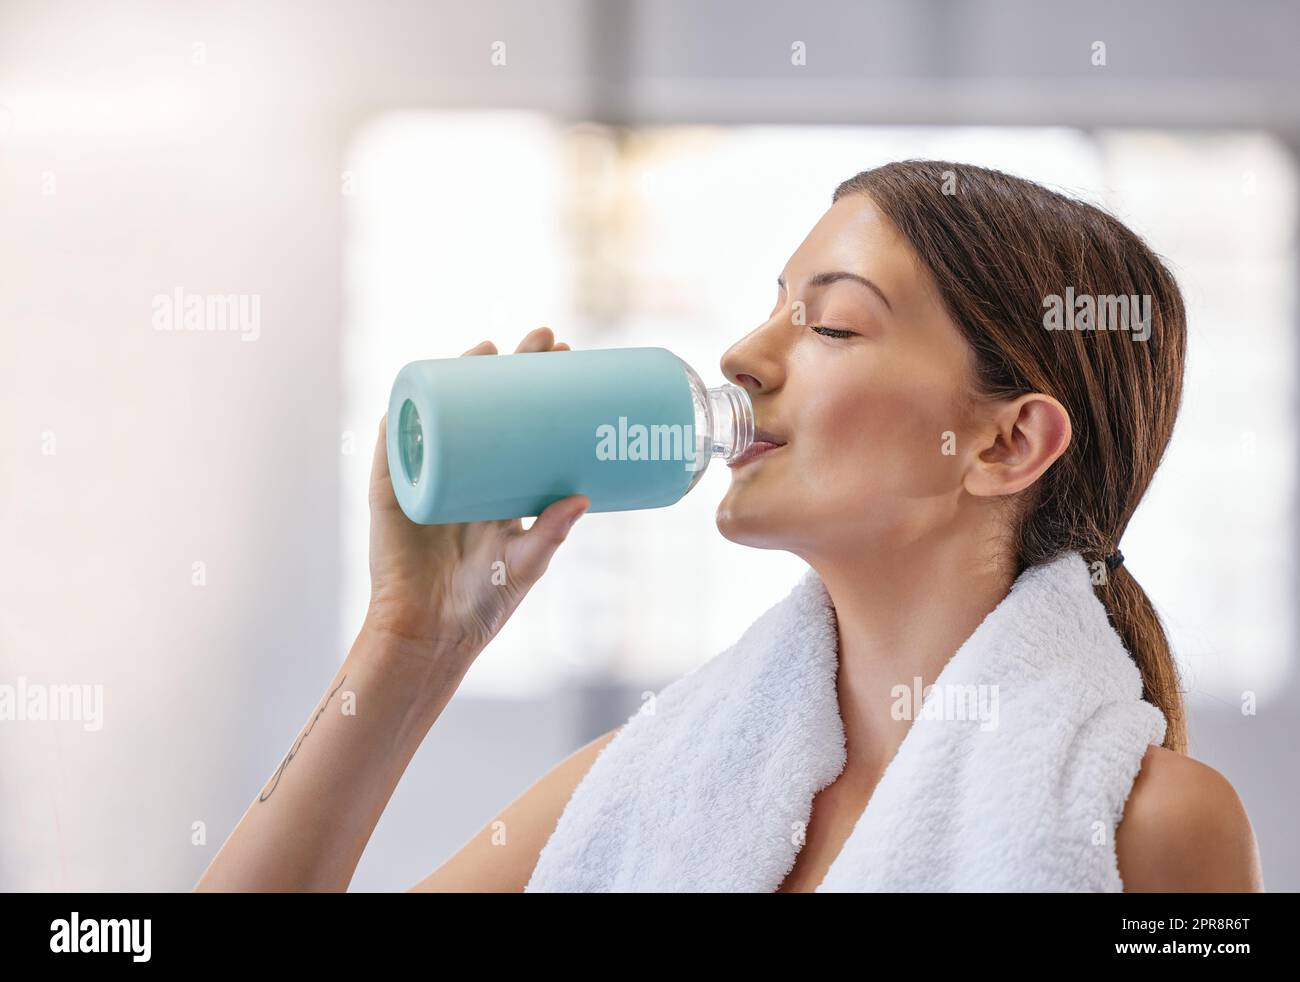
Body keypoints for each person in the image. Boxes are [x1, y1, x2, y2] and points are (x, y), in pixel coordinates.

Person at [196, 160, 1264, 893]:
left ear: (1006, 443)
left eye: (831, 324)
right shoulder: (641, 788)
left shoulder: (1153, 828)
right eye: (773, 306)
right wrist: (410, 643)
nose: (743, 357)